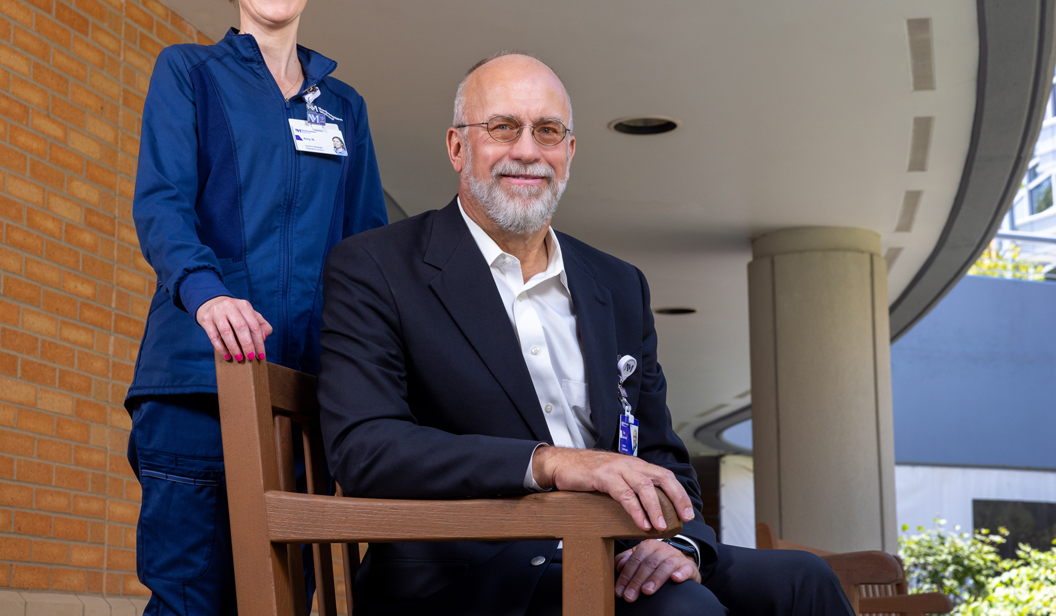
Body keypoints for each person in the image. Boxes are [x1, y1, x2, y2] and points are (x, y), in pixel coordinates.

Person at [317, 54, 854, 616]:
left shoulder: (618, 285)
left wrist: (679, 544)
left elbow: (663, 457)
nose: (527, 151)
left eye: (547, 131)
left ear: (568, 154)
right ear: (457, 147)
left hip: (616, 551)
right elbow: (365, 448)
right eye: (503, 128)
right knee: (683, 611)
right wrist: (549, 463)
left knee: (803, 580)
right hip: (472, 573)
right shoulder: (376, 266)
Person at [127, 0, 387, 613]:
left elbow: (363, 254)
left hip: (301, 407)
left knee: (278, 603)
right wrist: (207, 293)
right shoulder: (189, 75)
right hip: (197, 392)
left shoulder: (343, 109)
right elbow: (163, 204)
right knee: (192, 602)